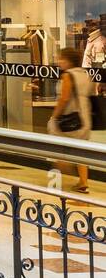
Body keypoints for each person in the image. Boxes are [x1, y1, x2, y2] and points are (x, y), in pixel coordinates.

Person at [51, 46, 94, 193]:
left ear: (68, 61)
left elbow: (64, 98)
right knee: (81, 150)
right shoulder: (85, 74)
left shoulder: (68, 75)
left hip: (70, 118)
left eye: (61, 58)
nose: (59, 61)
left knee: (58, 146)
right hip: (84, 117)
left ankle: (59, 175)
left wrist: (54, 117)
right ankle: (83, 182)